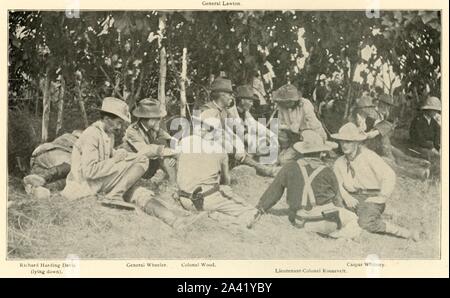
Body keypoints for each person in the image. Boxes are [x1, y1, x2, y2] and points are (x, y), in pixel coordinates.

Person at [247, 130, 361, 239]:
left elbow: (273, 193)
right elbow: (338, 201)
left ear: (301, 151)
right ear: (321, 152)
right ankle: (337, 235)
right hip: (326, 222)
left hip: (300, 220)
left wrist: (260, 208)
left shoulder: (289, 167)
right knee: (353, 218)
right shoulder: (328, 171)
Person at [332, 123, 420, 241]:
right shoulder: (339, 162)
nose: (344, 145)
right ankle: (355, 228)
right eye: (342, 141)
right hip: (350, 197)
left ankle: (405, 233)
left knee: (365, 223)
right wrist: (346, 196)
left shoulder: (369, 156)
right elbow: (338, 183)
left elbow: (389, 175)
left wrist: (381, 197)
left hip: (369, 196)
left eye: (348, 141)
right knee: (335, 216)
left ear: (357, 143)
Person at [175, 116, 259, 226]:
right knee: (253, 212)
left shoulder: (184, 141)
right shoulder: (221, 151)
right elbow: (225, 181)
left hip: (185, 199)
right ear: (216, 133)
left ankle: (212, 215)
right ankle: (227, 221)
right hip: (206, 200)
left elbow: (178, 165)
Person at [200, 77, 277, 176]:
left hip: (223, 146)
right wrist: (233, 147)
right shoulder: (207, 109)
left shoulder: (224, 111)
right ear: (221, 95)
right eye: (229, 94)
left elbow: (235, 129)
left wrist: (243, 140)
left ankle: (260, 168)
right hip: (207, 148)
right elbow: (211, 136)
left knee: (243, 150)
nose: (231, 98)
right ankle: (264, 170)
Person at [349, 96, 430, 180]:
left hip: (377, 144)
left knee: (398, 154)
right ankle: (417, 172)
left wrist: (384, 130)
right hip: (366, 147)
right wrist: (376, 131)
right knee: (388, 161)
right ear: (362, 108)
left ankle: (420, 164)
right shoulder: (358, 119)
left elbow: (380, 130)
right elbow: (357, 137)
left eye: (371, 107)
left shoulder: (372, 117)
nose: (371, 109)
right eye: (369, 107)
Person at [121, 98, 177, 184]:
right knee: (163, 154)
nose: (159, 121)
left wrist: (174, 156)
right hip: (132, 168)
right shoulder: (132, 131)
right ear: (145, 118)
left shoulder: (154, 128)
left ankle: (174, 186)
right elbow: (145, 150)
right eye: (157, 118)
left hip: (148, 165)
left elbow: (171, 140)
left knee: (169, 160)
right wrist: (168, 151)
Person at [274, 84, 327, 165]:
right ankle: (288, 151)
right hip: (294, 139)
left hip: (309, 137)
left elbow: (314, 126)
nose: (286, 104)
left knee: (308, 135)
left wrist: (322, 143)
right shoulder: (282, 107)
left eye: (289, 101)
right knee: (283, 160)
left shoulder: (305, 104)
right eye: (284, 101)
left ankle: (315, 154)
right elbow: (280, 124)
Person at [23, 130, 82, 196]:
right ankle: (42, 177)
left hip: (38, 162)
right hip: (52, 153)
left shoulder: (69, 137)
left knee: (75, 177)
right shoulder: (81, 138)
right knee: (76, 167)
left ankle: (42, 188)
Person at [232, 85, 279, 164]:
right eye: (250, 101)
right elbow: (242, 133)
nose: (252, 104)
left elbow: (257, 126)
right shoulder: (232, 113)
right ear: (242, 101)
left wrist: (271, 135)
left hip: (244, 141)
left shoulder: (245, 113)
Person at [409, 96, 441, 174]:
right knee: (431, 156)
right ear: (427, 110)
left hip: (431, 147)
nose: (435, 113)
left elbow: (436, 139)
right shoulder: (418, 120)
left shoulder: (434, 123)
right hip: (418, 146)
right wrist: (431, 147)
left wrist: (438, 148)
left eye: (436, 111)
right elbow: (418, 138)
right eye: (433, 110)